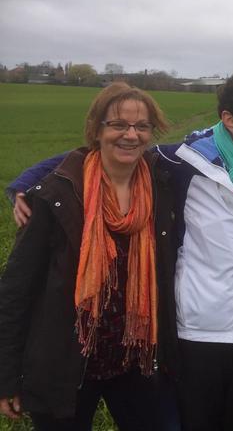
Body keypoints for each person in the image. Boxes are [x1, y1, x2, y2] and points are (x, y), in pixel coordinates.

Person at [7, 70, 233, 431]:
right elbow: (101, 154)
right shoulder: (182, 163)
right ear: (229, 119)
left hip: (175, 348)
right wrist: (27, 181)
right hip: (159, 339)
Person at [0, 83, 177, 430]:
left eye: (142, 126)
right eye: (118, 125)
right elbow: (16, 290)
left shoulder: (162, 186)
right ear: (97, 129)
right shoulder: (57, 195)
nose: (131, 135)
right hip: (65, 362)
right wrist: (6, 375)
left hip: (135, 359)